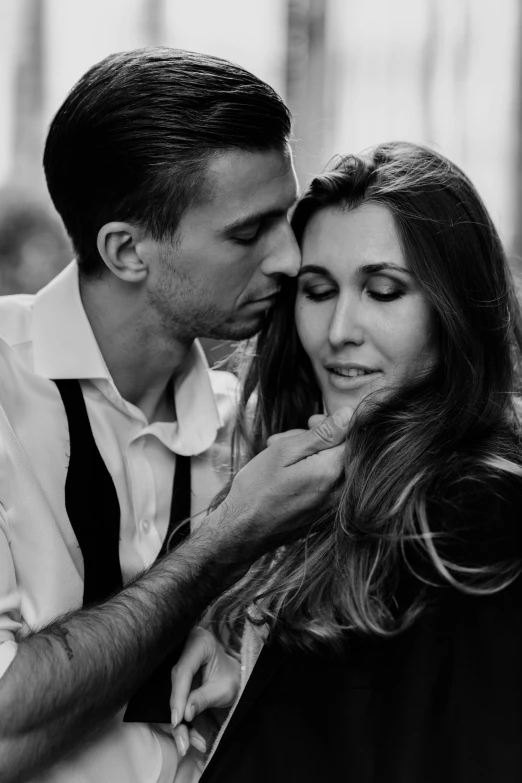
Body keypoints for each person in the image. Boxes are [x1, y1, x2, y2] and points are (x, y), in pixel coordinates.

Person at [0, 47, 353, 783]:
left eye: (287, 219)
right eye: (248, 232)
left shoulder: (253, 437)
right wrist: (224, 543)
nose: (291, 258)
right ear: (127, 249)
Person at [175, 142, 522, 782]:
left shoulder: (483, 512)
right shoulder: (315, 483)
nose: (339, 329)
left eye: (384, 291)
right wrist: (252, 679)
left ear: (456, 309)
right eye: (318, 290)